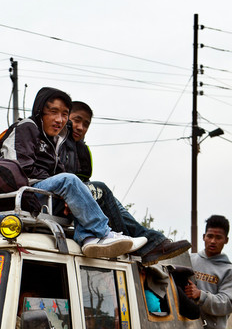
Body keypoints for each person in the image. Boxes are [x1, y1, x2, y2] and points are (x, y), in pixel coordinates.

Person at [0, 87, 146, 259]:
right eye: (53, 112)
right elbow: (20, 168)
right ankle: (105, 233)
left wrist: (68, 194)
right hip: (26, 191)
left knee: (75, 186)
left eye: (64, 114)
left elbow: (58, 170)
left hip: (43, 193)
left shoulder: (54, 138)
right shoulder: (26, 127)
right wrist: (61, 189)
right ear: (40, 111)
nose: (59, 119)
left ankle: (89, 238)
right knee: (69, 181)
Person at [60, 100, 191, 265]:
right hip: (63, 194)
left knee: (112, 201)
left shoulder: (81, 149)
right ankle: (135, 244)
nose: (80, 127)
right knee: (102, 189)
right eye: (76, 120)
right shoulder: (57, 141)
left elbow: (85, 180)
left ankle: (152, 242)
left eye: (86, 124)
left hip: (78, 195)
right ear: (65, 117)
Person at [185, 215, 232, 329]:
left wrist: (201, 295)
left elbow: (227, 303)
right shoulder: (190, 259)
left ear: (226, 240)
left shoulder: (228, 270)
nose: (213, 241)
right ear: (204, 236)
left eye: (218, 237)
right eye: (210, 236)